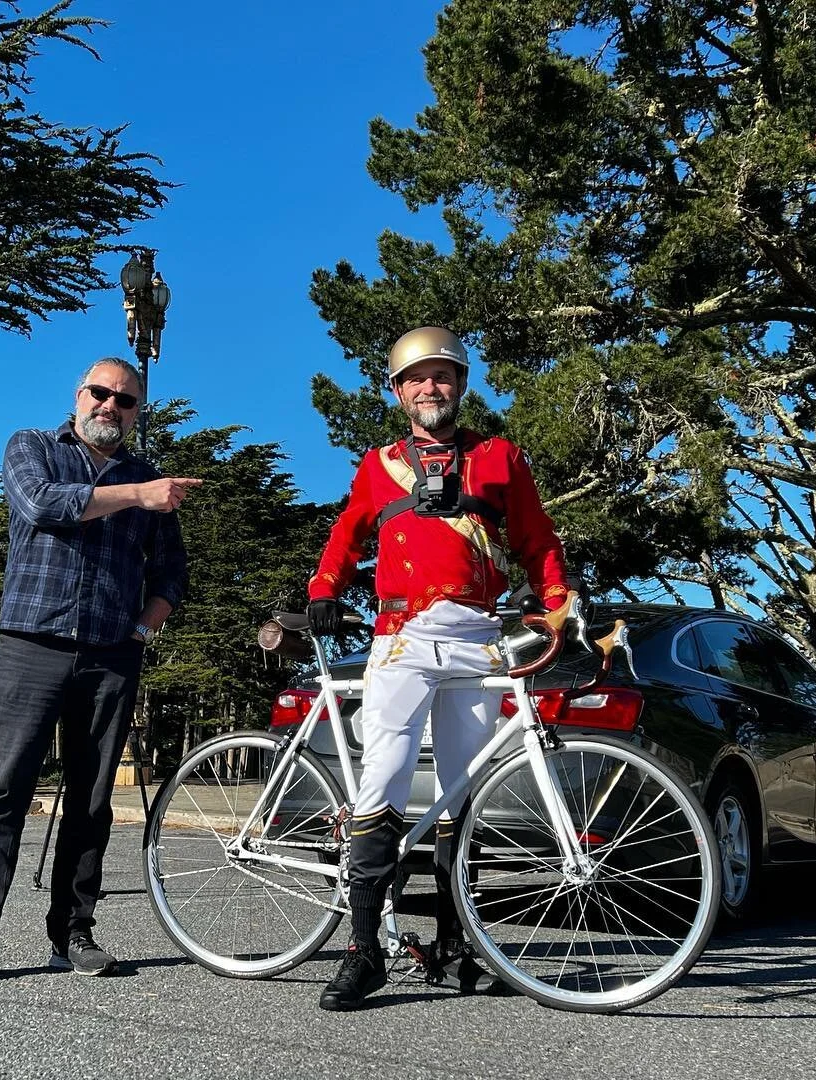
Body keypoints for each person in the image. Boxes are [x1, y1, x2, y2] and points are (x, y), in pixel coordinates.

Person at [305, 326, 569, 1011]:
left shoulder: (500, 457)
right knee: (384, 781)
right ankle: (364, 952)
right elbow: (346, 534)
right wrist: (326, 588)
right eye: (417, 378)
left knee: (462, 793)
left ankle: (455, 947)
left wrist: (556, 602)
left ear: (461, 384)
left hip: (478, 638)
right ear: (399, 392)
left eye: (443, 375)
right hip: (402, 639)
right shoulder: (378, 465)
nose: (431, 387)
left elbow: (537, 539)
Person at [0, 357, 198, 984]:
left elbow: (171, 573)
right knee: (3, 791)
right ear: (79, 396)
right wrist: (137, 496)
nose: (110, 406)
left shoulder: (149, 479)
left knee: (91, 800)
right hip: (31, 643)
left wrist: (143, 628)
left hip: (111, 653)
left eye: (125, 400)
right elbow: (43, 505)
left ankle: (73, 933)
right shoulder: (34, 448)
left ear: (137, 412)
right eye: (100, 392)